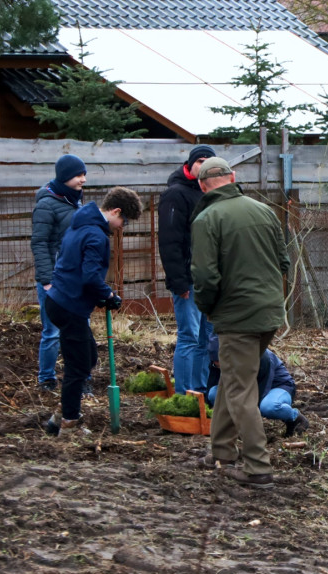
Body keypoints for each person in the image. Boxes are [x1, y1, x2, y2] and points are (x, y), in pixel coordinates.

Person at [191, 157, 290, 489]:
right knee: (235, 379)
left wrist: (207, 307)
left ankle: (258, 466)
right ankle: (221, 451)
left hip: (236, 317)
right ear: (233, 178)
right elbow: (283, 261)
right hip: (269, 313)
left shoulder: (207, 218)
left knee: (238, 389)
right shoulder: (264, 211)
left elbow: (204, 276)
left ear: (202, 185)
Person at [42, 187, 142, 436]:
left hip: (58, 301)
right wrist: (108, 295)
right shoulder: (97, 237)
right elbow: (89, 278)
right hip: (70, 306)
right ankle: (69, 423)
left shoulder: (79, 224)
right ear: (116, 211)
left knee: (88, 357)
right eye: (124, 221)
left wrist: (101, 294)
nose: (121, 227)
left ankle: (62, 412)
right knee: (77, 367)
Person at [159, 145, 217, 394]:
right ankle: (183, 395)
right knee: (189, 337)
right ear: (190, 163)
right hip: (189, 281)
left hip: (211, 281)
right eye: (199, 161)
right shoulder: (175, 194)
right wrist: (178, 281)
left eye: (208, 161)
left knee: (207, 339)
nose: (203, 165)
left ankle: (200, 391)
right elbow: (169, 242)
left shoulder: (213, 193)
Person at [31, 154, 87, 393]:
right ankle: (46, 379)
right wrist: (46, 280)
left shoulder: (76, 201)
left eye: (84, 174)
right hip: (54, 279)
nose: (83, 179)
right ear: (64, 177)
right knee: (52, 331)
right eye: (78, 175)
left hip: (76, 278)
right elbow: (40, 242)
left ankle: (80, 378)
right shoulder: (46, 203)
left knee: (79, 330)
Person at [204, 335, 307, 438]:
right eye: (217, 365)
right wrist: (204, 411)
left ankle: (295, 417)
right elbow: (212, 383)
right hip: (247, 387)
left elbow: (262, 387)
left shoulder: (259, 355)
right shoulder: (216, 361)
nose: (220, 367)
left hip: (276, 385)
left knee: (268, 407)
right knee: (214, 393)